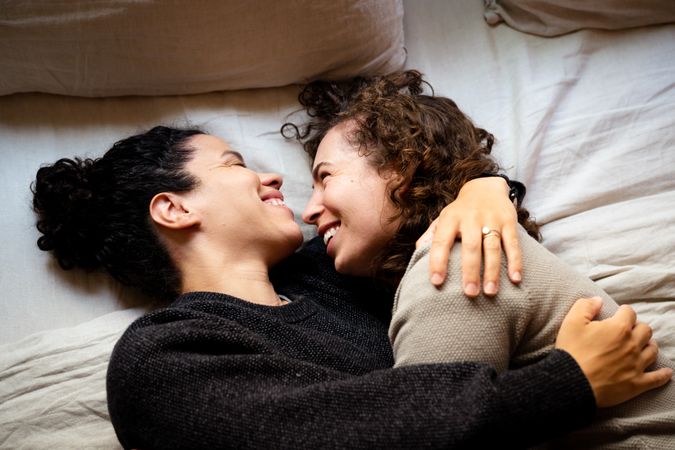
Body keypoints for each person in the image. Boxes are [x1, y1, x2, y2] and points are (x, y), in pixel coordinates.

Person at [31, 126, 669, 449]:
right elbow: (345, 436)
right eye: (234, 164)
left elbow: (409, 206)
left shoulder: (329, 274)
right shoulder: (161, 360)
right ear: (173, 210)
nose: (273, 178)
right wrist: (567, 386)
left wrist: (486, 191)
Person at [291, 70, 675, 448]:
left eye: (326, 177)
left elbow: (430, 435)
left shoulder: (455, 263)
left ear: (400, 169)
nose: (308, 211)